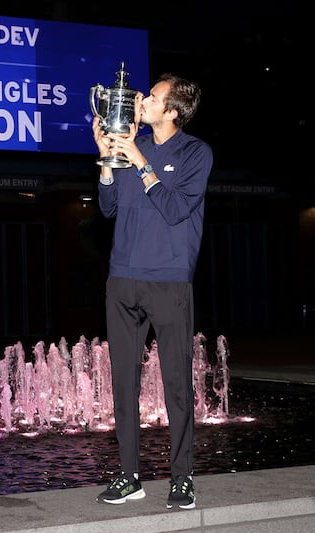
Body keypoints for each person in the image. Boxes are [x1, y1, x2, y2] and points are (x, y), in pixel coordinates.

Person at [92, 73, 213, 510]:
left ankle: (182, 478)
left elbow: (178, 209)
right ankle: (129, 476)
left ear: (173, 112)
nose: (141, 100)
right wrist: (107, 158)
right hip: (122, 278)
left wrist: (139, 160)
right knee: (123, 384)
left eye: (153, 98)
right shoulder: (128, 144)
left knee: (177, 384)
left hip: (169, 281)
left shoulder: (195, 152)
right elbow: (108, 208)